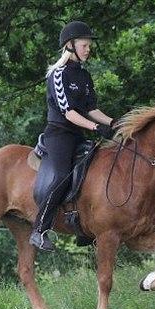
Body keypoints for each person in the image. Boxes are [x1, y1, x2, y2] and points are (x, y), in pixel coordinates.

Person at [30, 21, 116, 252]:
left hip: (78, 134)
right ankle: (39, 230)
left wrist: (113, 122)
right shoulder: (58, 75)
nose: (88, 49)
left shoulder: (84, 76)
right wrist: (95, 128)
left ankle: (83, 227)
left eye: (89, 46)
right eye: (85, 45)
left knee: (95, 171)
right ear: (70, 45)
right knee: (61, 176)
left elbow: (91, 109)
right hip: (59, 135)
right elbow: (68, 113)